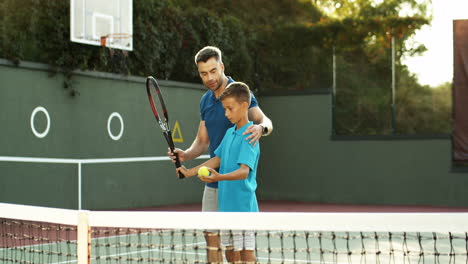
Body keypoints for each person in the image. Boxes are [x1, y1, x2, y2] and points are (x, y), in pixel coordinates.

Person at [168, 46, 273, 263]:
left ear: (222, 67)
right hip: (213, 183)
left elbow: (265, 121)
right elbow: (203, 141)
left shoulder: (239, 94)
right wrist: (186, 155)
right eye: (204, 73)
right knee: (213, 240)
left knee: (240, 250)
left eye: (213, 71)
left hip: (234, 187)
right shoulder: (205, 101)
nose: (210, 78)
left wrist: (260, 128)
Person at [176, 81, 260, 264]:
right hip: (225, 208)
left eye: (230, 108)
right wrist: (189, 172)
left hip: (243, 210)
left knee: (245, 256)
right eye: (224, 109)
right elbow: (217, 159)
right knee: (230, 253)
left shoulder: (250, 136)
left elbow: (243, 172)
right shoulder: (230, 133)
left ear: (245, 106)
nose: (226, 113)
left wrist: (219, 177)